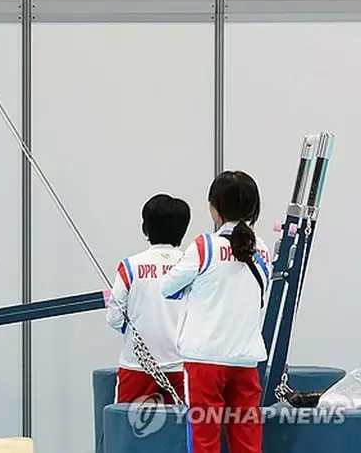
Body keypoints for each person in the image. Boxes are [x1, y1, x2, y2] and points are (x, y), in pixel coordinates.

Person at [161, 171, 271, 453]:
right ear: (254, 208)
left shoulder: (203, 247)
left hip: (204, 360)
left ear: (213, 208)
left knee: (204, 442)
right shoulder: (263, 251)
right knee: (247, 441)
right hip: (246, 360)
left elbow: (167, 288)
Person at [106, 193, 191, 404]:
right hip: (181, 368)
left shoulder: (129, 266)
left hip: (136, 367)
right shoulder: (191, 266)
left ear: (145, 228)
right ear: (183, 230)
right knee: (181, 435)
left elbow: (114, 317)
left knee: (128, 433)